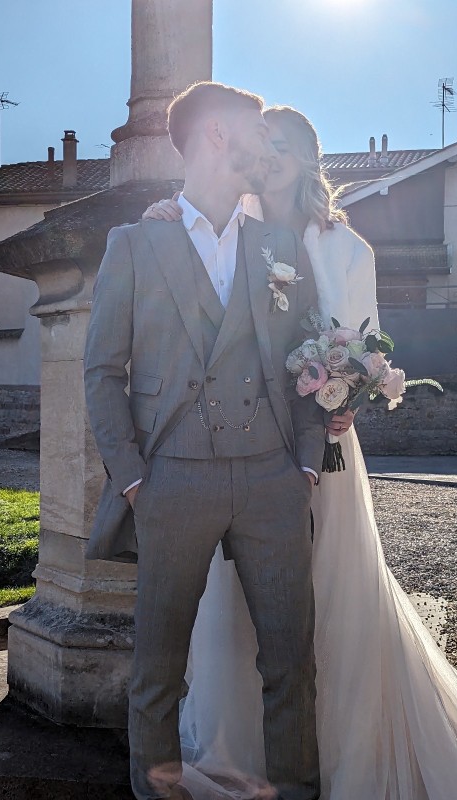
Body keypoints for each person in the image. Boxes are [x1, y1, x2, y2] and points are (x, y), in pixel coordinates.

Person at [142, 105, 457, 800]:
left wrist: (346, 395)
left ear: (313, 157)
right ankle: (242, 748)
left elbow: (364, 345)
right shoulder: (233, 226)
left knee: (328, 599)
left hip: (324, 457)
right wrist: (167, 209)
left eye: (288, 145)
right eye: (266, 144)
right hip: (240, 455)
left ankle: (337, 748)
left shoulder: (349, 250)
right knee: (234, 609)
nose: (273, 154)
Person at [84, 83, 327, 800]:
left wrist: (305, 465)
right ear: (218, 135)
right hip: (172, 482)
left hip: (273, 481)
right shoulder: (134, 242)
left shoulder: (279, 245)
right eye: (255, 130)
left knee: (292, 666)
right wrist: (134, 480)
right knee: (158, 672)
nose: (266, 145)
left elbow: (309, 359)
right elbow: (101, 372)